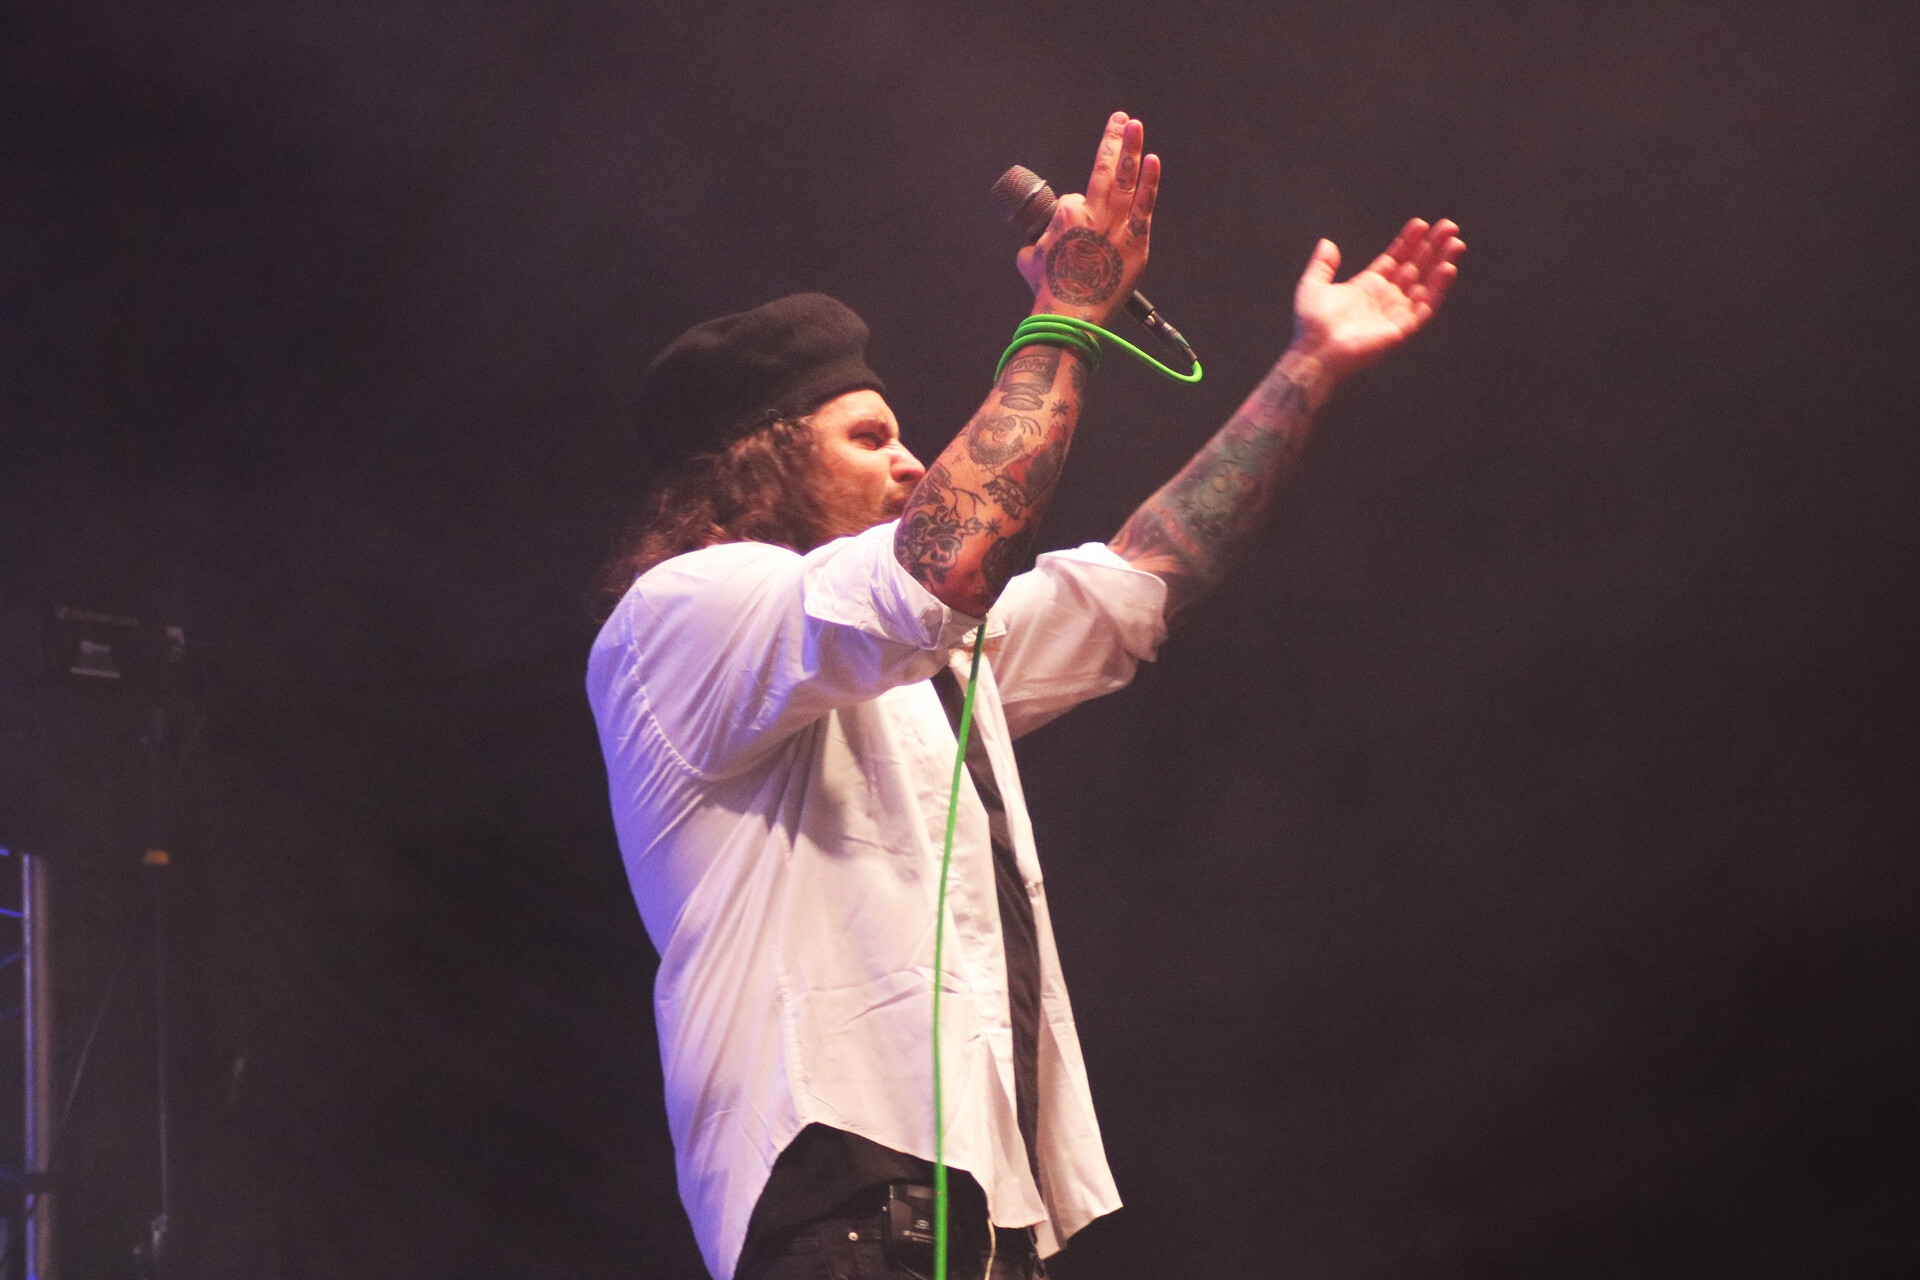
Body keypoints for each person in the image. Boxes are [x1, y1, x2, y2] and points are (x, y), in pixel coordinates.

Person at [587, 112, 1463, 1280]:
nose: (910, 461)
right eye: (869, 435)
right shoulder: (688, 613)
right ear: (760, 461)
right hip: (845, 1201)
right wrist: (1068, 311)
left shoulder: (916, 661)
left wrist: (1310, 366)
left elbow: (1141, 580)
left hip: (980, 1217)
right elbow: (952, 554)